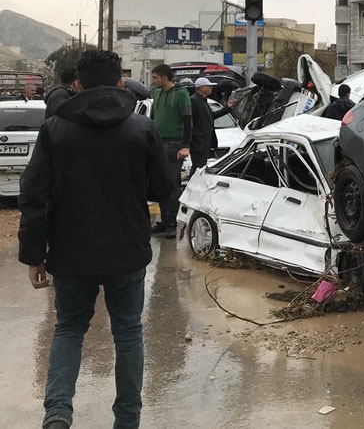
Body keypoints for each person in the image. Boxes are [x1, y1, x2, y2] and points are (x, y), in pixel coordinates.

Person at [18, 49, 173, 429]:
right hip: (127, 250)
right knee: (128, 333)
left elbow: (33, 194)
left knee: (69, 328)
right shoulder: (142, 129)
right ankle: (127, 420)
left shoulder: (54, 129)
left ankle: (57, 415)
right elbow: (163, 188)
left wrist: (34, 254)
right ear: (121, 82)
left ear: (78, 85)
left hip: (70, 252)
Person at [149, 63, 192, 239]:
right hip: (158, 143)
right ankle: (164, 221)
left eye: (155, 77)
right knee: (159, 183)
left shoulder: (181, 94)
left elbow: (188, 120)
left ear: (164, 77)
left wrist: (186, 145)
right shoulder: (157, 93)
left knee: (172, 184)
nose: (153, 81)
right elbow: (152, 119)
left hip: (175, 144)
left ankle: (172, 223)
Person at [189, 77, 236, 173]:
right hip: (198, 143)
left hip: (204, 142)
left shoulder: (204, 101)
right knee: (198, 168)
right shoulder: (194, 101)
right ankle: (193, 185)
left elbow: (211, 116)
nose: (211, 88)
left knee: (200, 167)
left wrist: (228, 108)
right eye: (209, 86)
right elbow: (189, 122)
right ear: (201, 88)